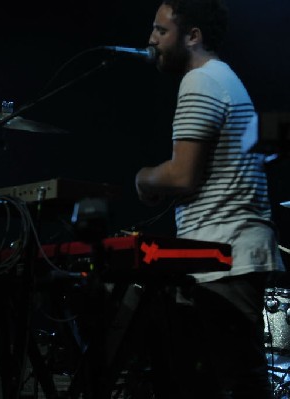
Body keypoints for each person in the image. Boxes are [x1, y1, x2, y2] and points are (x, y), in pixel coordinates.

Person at [134, 0, 285, 397]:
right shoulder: (223, 78)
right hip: (223, 253)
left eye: (161, 31)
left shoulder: (199, 81)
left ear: (193, 37)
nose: (151, 39)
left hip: (225, 255)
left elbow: (182, 174)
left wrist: (144, 179)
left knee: (235, 383)